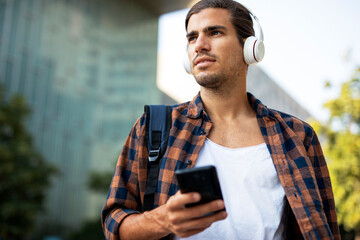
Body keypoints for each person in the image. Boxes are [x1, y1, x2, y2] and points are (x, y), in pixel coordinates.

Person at [101, 0, 340, 239]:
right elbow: (113, 223)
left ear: (250, 48)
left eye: (214, 32)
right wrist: (162, 220)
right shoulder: (153, 126)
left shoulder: (297, 136)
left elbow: (326, 228)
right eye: (192, 37)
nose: (200, 46)